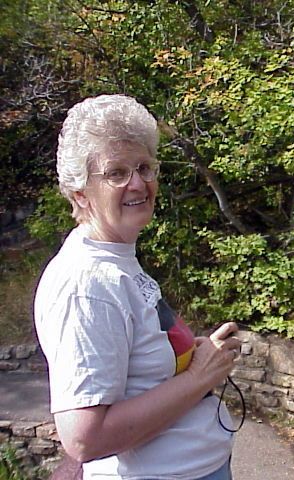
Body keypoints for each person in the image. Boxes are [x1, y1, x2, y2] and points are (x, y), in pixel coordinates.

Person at [34, 94, 241, 480]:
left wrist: (193, 359)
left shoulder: (116, 261)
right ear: (80, 193)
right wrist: (200, 377)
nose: (138, 183)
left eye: (145, 167)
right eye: (116, 173)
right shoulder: (85, 283)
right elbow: (84, 439)